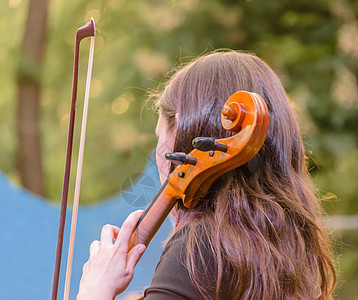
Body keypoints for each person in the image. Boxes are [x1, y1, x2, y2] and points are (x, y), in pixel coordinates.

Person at [77, 51, 336, 300]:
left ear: (180, 131)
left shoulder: (197, 250)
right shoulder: (291, 247)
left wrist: (95, 291)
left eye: (158, 137)